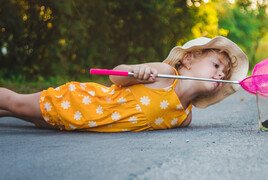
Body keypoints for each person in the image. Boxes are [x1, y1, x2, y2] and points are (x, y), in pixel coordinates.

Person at [0, 36, 248, 132]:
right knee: (15, 103)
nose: (220, 75)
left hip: (84, 125)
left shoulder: (185, 116)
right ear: (188, 60)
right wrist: (133, 71)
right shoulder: (165, 74)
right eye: (216, 65)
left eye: (225, 74)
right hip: (82, 104)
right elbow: (115, 76)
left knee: (21, 115)